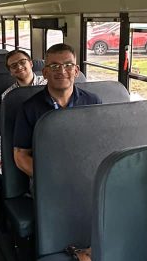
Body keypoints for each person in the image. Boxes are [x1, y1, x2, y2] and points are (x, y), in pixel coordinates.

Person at [12, 43, 101, 178]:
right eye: (54, 66)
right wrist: (50, 179)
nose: (62, 71)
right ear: (45, 73)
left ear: (76, 71)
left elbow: (99, 145)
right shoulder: (29, 108)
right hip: (47, 176)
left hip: (86, 172)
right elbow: (20, 156)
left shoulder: (93, 102)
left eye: (68, 65)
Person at [0, 50, 47, 170]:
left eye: (22, 62)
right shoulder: (8, 96)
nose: (19, 67)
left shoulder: (48, 84)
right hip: (25, 142)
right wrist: (1, 156)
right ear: (11, 72)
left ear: (31, 63)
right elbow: (6, 128)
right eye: (14, 66)